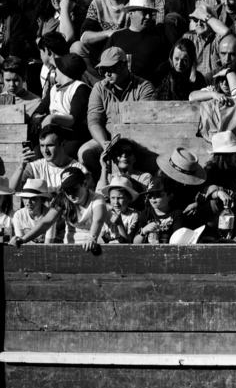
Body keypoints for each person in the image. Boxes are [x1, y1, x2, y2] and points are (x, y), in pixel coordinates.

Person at [79, 46, 155, 175]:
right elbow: (94, 121)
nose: (107, 74)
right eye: (103, 70)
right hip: (108, 137)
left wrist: (122, 145)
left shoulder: (144, 87)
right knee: (85, 152)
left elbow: (142, 124)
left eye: (111, 69)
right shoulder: (99, 88)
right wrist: (104, 143)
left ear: (125, 65)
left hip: (136, 140)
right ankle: (104, 181)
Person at [14, 167, 107, 251]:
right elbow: (46, 223)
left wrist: (92, 237)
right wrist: (23, 239)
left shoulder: (97, 198)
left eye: (74, 189)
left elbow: (98, 221)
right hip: (71, 247)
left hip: (93, 247)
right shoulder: (63, 198)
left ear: (85, 184)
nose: (70, 194)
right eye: (67, 191)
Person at [99, 175, 140, 243]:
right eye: (112, 198)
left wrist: (120, 224)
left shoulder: (133, 215)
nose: (116, 202)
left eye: (120, 198)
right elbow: (100, 239)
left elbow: (128, 242)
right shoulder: (106, 214)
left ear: (129, 198)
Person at [12, 179, 53, 243]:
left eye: (33, 198)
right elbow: (20, 243)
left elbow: (48, 244)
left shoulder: (50, 215)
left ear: (42, 200)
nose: (28, 202)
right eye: (25, 197)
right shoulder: (18, 215)